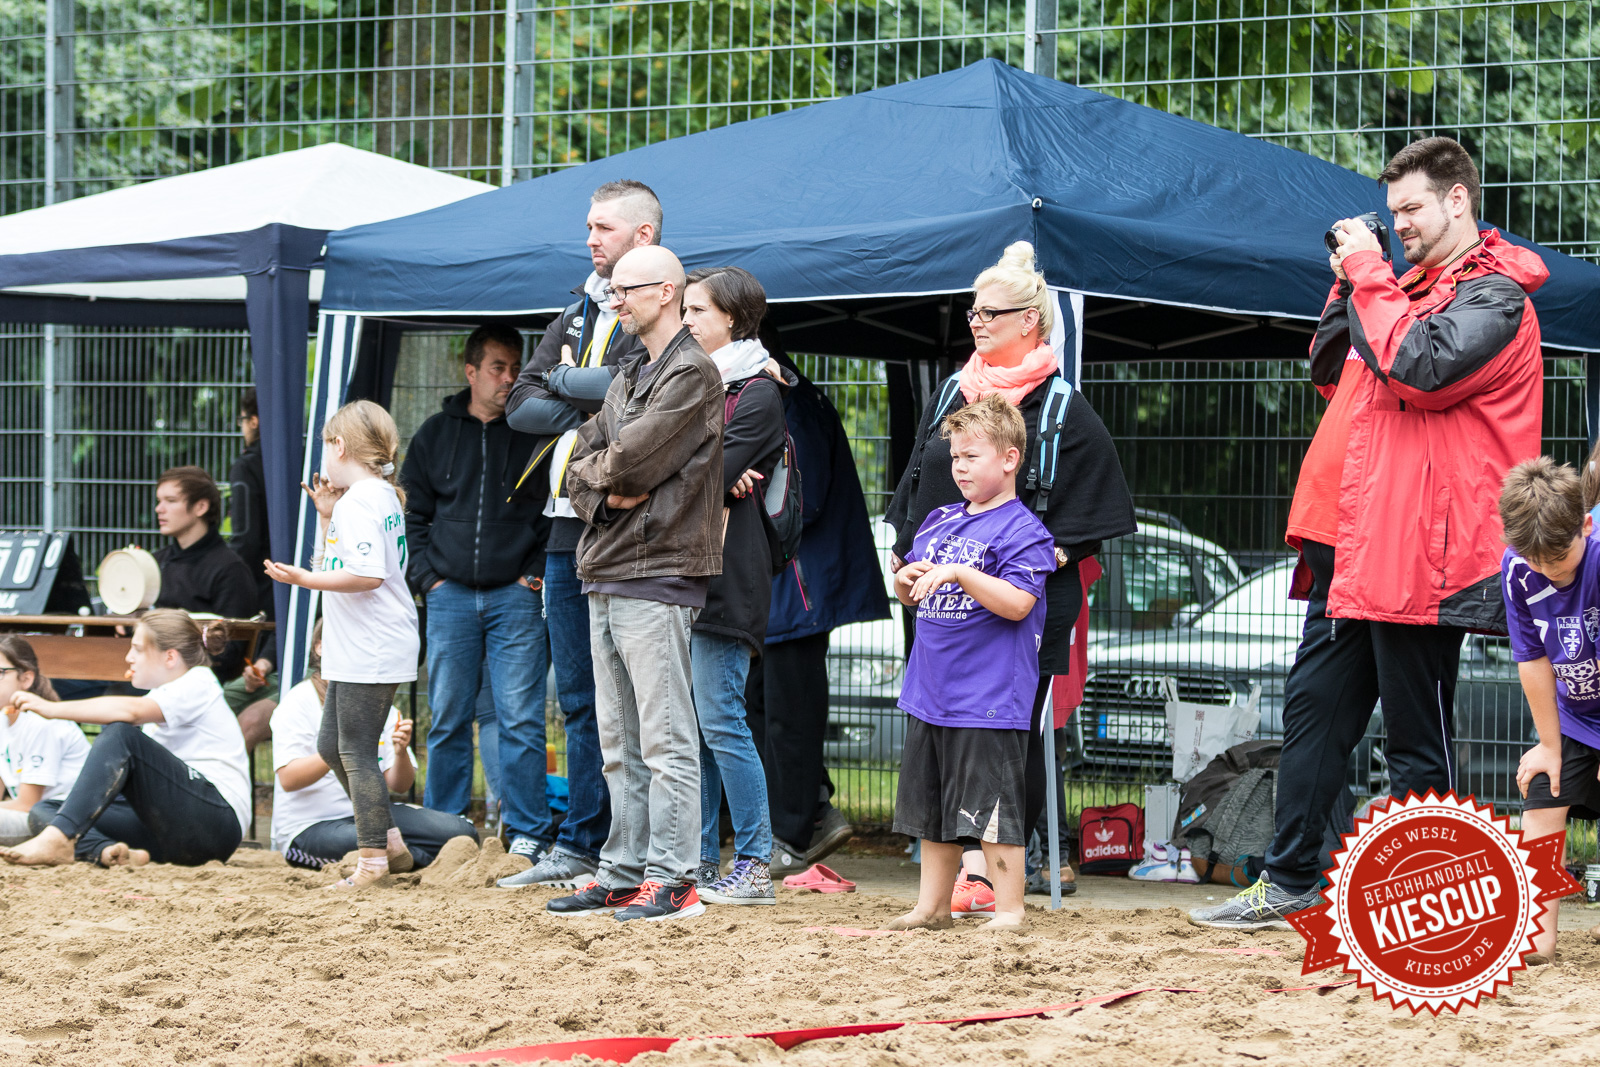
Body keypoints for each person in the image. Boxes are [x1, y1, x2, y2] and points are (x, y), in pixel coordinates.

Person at [1191, 137, 1548, 930]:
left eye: (1412, 208)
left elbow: (1421, 368)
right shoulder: (1398, 288)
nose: (1400, 226)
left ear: (1459, 200)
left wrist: (1368, 275)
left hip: (1423, 554)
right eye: (1391, 215)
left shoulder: (1495, 297)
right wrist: (1346, 285)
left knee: (1418, 743)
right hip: (1354, 545)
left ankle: (1428, 902)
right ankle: (1288, 882)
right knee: (1313, 716)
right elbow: (1328, 369)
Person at [886, 242, 1135, 913]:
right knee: (940, 729)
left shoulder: (1059, 406)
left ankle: (1004, 878)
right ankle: (954, 876)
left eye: (993, 312)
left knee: (1006, 731)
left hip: (1020, 599)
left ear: (1032, 320)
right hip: (941, 599)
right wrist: (904, 547)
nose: (977, 322)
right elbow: (916, 477)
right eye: (973, 311)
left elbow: (1101, 501)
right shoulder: (953, 390)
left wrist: (1050, 550)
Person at [546, 244, 723, 922]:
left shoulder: (690, 373)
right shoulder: (628, 374)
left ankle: (674, 878)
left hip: (659, 570)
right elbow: (585, 464)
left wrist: (606, 480)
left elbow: (624, 461)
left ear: (666, 291)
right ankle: (623, 869)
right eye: (611, 291)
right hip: (608, 567)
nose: (613, 301)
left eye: (624, 290)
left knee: (665, 734)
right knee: (619, 738)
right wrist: (604, 489)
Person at [499, 179, 658, 890]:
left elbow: (640, 391)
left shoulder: (659, 308)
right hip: (563, 528)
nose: (590, 239)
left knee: (633, 700)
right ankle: (583, 843)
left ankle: (633, 848)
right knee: (578, 697)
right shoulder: (576, 306)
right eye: (588, 228)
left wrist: (572, 384)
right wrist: (580, 387)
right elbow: (519, 402)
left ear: (642, 237)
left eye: (602, 227)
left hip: (625, 525)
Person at [884, 393, 1056, 931]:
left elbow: (1018, 603)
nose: (958, 467)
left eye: (971, 456)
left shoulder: (1023, 530)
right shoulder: (937, 521)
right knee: (932, 810)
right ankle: (931, 907)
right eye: (955, 457)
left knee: (992, 811)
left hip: (988, 698)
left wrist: (960, 575)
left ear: (1009, 459)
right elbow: (917, 592)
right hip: (931, 691)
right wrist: (904, 584)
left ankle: (1009, 909)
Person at [401, 324, 553, 861]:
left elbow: (552, 511)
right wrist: (429, 580)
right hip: (449, 598)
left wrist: (533, 575)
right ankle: (444, 832)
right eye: (498, 368)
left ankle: (527, 832)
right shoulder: (433, 435)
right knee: (447, 716)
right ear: (470, 372)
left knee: (520, 716)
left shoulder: (533, 433)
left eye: (515, 368)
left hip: (516, 597)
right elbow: (412, 515)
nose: (509, 379)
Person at [746, 340, 892, 877]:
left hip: (797, 587)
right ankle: (813, 809)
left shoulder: (791, 404)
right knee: (761, 707)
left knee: (788, 712)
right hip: (777, 586)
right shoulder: (779, 397)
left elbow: (804, 497)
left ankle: (794, 831)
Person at [265, 400, 420, 891]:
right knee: (331, 744)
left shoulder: (363, 500)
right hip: (367, 643)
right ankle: (389, 844)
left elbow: (367, 576)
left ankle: (373, 861)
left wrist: (304, 578)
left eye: (325, 446)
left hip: (370, 645)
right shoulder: (371, 497)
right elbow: (347, 563)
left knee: (351, 747)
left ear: (339, 446)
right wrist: (326, 519)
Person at [679, 267, 796, 905]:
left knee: (721, 719)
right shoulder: (689, 380)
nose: (686, 319)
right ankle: (697, 862)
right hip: (682, 571)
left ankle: (752, 861)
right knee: (696, 726)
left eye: (697, 309)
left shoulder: (758, 393)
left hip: (729, 575)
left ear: (733, 318)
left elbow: (691, 473)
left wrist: (707, 470)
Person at [0, 610, 250, 868]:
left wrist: (51, 709)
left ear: (170, 657)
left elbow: (129, 712)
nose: (128, 658)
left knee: (121, 733)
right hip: (171, 832)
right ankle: (106, 851)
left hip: (217, 823)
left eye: (137, 649)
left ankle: (59, 839)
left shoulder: (199, 680)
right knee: (47, 810)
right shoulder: (161, 695)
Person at [1495, 458, 1600, 964]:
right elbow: (1532, 658)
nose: (1550, 571)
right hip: (1576, 717)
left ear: (1586, 522)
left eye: (1559, 557)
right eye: (1537, 561)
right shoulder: (1518, 568)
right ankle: (1537, 940)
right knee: (1543, 792)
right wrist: (1550, 745)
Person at [273, 620, 478, 870]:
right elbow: (288, 779)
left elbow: (400, 785)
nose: (353, 650)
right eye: (345, 642)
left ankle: (404, 856)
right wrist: (339, 748)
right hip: (310, 826)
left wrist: (401, 752)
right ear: (320, 648)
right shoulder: (298, 701)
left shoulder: (380, 705)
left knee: (462, 832)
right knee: (369, 843)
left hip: (375, 814)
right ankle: (414, 858)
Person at [152, 466, 260, 685]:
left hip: (198, 684)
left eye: (170, 501)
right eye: (159, 500)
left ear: (201, 506)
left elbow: (230, 653)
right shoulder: (154, 562)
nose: (159, 509)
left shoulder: (230, 569)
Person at [225, 388, 280, 742]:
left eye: (243, 421)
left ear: (254, 421)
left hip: (260, 586)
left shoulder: (247, 465)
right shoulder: (301, 458)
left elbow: (244, 537)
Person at [0, 637, 90, 845]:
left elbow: (27, 804)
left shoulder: (40, 723)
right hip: (30, 816)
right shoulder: (4, 720)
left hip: (58, 823)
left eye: (0, 673)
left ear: (26, 679)